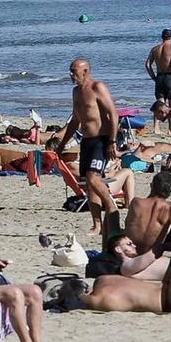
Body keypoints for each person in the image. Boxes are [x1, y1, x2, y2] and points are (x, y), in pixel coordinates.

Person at [68, 57, 118, 224]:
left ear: (85, 71)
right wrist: (60, 146)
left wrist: (112, 141)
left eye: (74, 71)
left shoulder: (97, 87)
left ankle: (111, 205)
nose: (71, 74)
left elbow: (113, 114)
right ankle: (97, 224)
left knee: (92, 177)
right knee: (89, 186)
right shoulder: (75, 92)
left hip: (101, 140)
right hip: (86, 141)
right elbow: (75, 121)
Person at [145, 29, 171, 106]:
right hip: (170, 78)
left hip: (159, 78)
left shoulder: (155, 49)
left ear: (162, 37)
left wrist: (153, 77)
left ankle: (158, 118)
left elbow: (147, 65)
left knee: (160, 109)